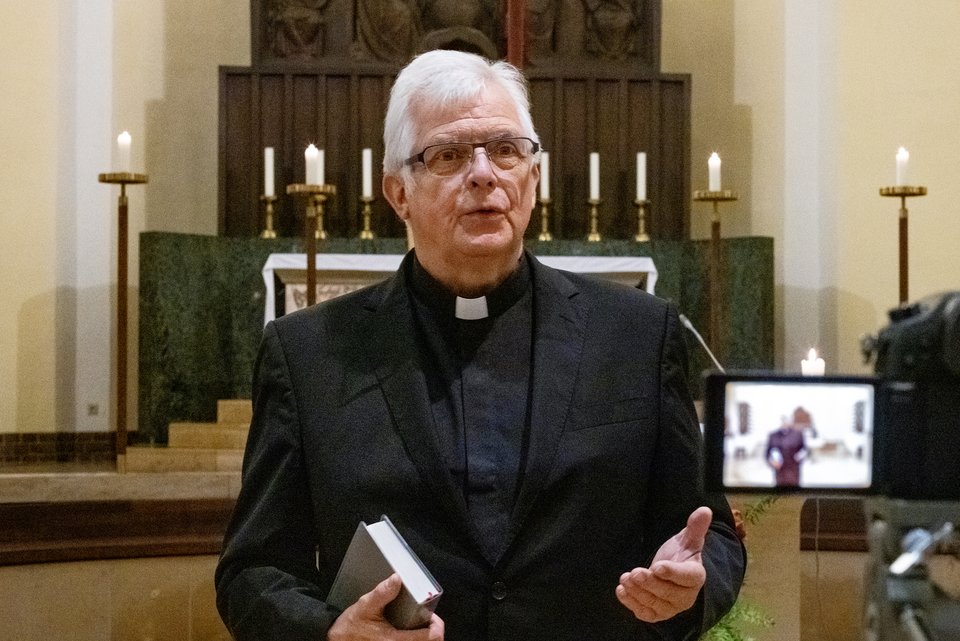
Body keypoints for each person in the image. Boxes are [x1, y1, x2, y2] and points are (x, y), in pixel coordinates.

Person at [215, 49, 746, 641]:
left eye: (506, 150)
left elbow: (712, 535)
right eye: (447, 155)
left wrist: (689, 587)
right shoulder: (309, 354)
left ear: (534, 177)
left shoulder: (637, 337)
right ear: (398, 194)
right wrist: (331, 632)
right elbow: (253, 570)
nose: (483, 174)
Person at [766, 415, 808, 486]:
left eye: (787, 419)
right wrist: (772, 462)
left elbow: (804, 449)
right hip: (779, 473)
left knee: (793, 493)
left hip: (793, 471)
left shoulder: (798, 434)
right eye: (783, 419)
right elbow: (767, 454)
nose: (785, 422)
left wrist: (798, 457)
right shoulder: (773, 435)